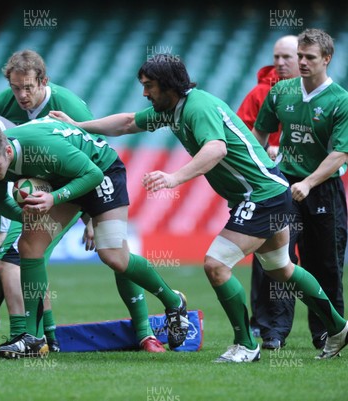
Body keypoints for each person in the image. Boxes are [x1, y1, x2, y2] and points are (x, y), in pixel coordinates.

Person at [50, 54, 348, 361]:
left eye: (149, 86)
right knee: (281, 268)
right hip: (269, 192)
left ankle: (246, 345)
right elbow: (127, 122)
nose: (144, 93)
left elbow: (216, 148)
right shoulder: (172, 110)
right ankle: (339, 328)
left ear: (168, 85)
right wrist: (79, 125)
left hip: (261, 196)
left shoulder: (197, 107)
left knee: (216, 265)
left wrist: (174, 177)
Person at [0, 49, 168, 354]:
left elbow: (93, 160)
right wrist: (10, 222)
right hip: (38, 193)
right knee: (11, 253)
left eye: (28, 87)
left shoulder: (67, 104)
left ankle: (145, 332)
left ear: (44, 81)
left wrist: (92, 218)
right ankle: (20, 337)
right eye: (15, 88)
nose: (21, 95)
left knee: (114, 255)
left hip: (83, 181)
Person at [0, 117, 189, 359]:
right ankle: (33, 338)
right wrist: (27, 214)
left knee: (114, 257)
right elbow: (1, 203)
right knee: (29, 245)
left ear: (8, 150)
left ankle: (173, 302)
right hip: (62, 181)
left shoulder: (41, 146)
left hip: (100, 172)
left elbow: (91, 174)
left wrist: (53, 199)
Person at [253, 28, 348, 351]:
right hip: (284, 187)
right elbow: (260, 132)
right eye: (301, 56)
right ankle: (273, 333)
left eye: (310, 57)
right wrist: (259, 175)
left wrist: (308, 182)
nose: (303, 62)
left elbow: (340, 153)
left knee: (325, 263)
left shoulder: (341, 101)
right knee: (274, 257)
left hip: (323, 190)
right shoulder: (281, 92)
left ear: (326, 59)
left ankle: (327, 332)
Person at [237, 35, 300, 350]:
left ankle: (327, 326)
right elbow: (244, 139)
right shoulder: (261, 93)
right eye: (276, 56)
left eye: (286, 56)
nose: (280, 63)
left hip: (308, 184)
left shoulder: (322, 97)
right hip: (270, 186)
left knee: (316, 258)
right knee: (271, 256)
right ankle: (267, 325)